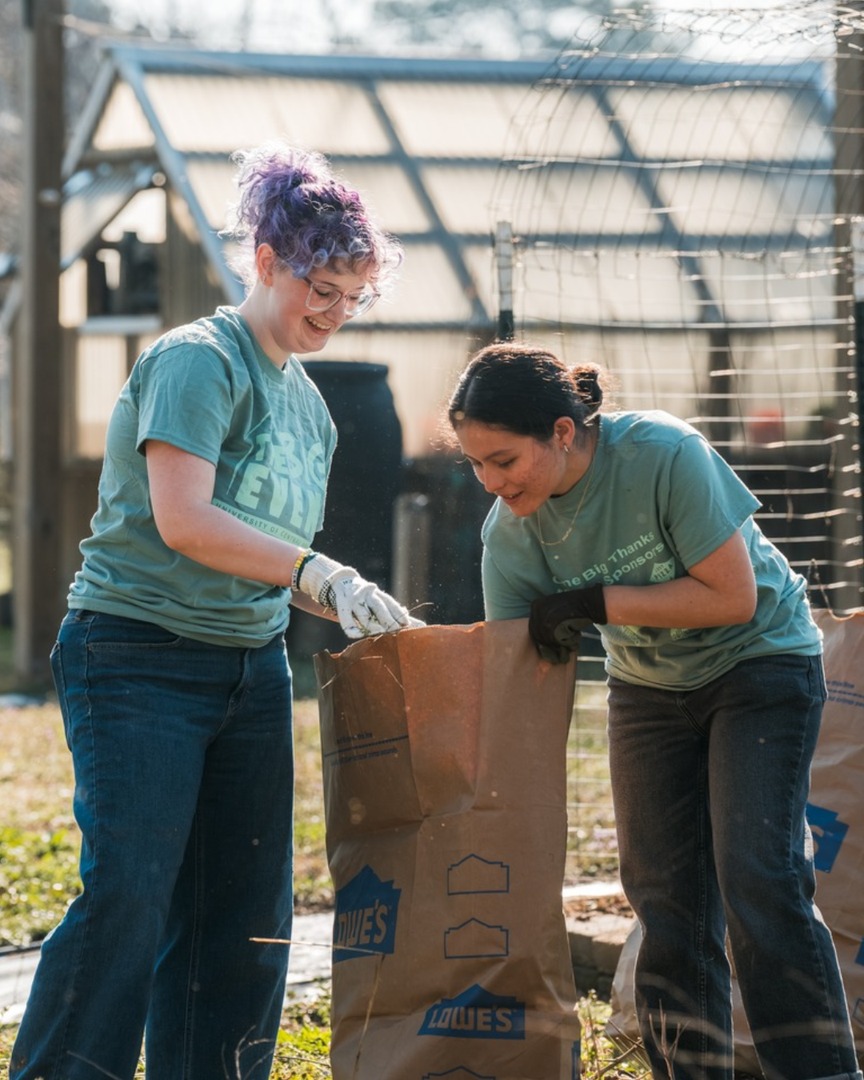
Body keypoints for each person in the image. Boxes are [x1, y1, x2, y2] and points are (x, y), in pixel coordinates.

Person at [10, 143, 422, 1080]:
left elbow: (259, 553)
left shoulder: (310, 408)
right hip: (137, 656)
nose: (333, 313)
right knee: (130, 891)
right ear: (268, 261)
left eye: (352, 298)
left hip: (250, 666)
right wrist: (322, 577)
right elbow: (186, 521)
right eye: (321, 287)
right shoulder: (200, 362)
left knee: (244, 912)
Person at [446, 341, 863, 1080]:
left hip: (759, 661)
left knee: (758, 879)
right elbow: (515, 678)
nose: (490, 483)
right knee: (664, 895)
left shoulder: (665, 454)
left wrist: (593, 604)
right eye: (476, 464)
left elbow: (732, 598)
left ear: (563, 432)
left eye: (504, 460)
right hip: (648, 685)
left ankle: (821, 1073)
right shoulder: (510, 533)